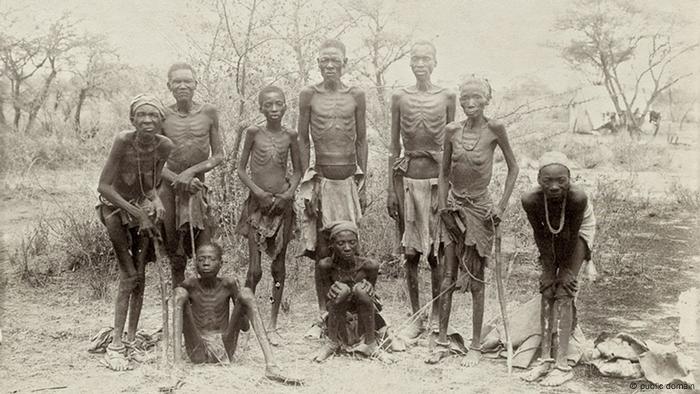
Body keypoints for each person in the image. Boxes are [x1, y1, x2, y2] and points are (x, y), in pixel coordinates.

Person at [427, 77, 519, 366]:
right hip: (452, 208)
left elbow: (513, 169)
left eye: (476, 97)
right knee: (447, 276)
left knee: (477, 278)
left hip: (480, 209)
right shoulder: (452, 130)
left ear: (487, 99)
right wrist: (443, 206)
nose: (469, 102)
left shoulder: (495, 130)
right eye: (465, 96)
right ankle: (442, 340)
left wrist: (501, 207)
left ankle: (476, 346)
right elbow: (443, 174)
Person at [96, 94, 174, 371]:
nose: (148, 120)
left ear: (161, 120)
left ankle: (130, 340)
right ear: (132, 120)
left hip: (141, 210)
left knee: (140, 276)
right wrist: (139, 212)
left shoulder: (165, 146)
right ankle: (115, 344)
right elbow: (104, 187)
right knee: (128, 275)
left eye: (153, 115)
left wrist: (155, 200)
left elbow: (151, 183)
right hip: (115, 209)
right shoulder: (123, 141)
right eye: (142, 115)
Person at [298, 39, 368, 337]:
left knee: (349, 248)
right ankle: (323, 315)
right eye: (324, 60)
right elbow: (302, 139)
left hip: (349, 180)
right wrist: (306, 185)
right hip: (321, 180)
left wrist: (362, 183)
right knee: (323, 253)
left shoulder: (357, 95)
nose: (329, 65)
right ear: (318, 63)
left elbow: (362, 139)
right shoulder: (308, 95)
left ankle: (351, 312)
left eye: (335, 61)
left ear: (344, 63)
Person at [387, 41, 455, 338]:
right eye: (415, 58)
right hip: (408, 180)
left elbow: (451, 144)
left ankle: (438, 314)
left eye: (426, 58)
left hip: (437, 181)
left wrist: (447, 190)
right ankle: (416, 316)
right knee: (412, 253)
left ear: (435, 61)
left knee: (437, 253)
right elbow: (393, 145)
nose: (419, 63)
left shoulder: (447, 96)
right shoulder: (400, 97)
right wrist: (391, 189)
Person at [173, 243, 302, 385]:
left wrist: (240, 305)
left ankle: (271, 366)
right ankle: (177, 364)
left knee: (246, 292)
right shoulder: (190, 285)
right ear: (195, 263)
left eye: (211, 259)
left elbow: (245, 327)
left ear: (221, 263)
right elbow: (181, 317)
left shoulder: (228, 284)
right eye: (201, 259)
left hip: (225, 346)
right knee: (179, 293)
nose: (206, 263)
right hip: (197, 348)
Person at [520, 151, 595, 387]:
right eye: (547, 181)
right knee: (547, 288)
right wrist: (548, 269)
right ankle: (545, 358)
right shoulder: (530, 199)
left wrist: (564, 270)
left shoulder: (577, 198)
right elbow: (541, 235)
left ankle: (562, 364)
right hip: (551, 236)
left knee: (564, 288)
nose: (554, 186)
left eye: (560, 180)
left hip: (578, 231)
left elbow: (571, 237)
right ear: (538, 180)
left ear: (569, 179)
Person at [236, 86, 302, 345]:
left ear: (286, 106)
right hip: (257, 206)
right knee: (254, 269)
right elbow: (241, 169)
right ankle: (243, 315)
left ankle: (272, 323)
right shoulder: (253, 133)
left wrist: (288, 194)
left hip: (282, 207)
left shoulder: (291, 135)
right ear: (261, 108)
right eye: (269, 105)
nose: (274, 109)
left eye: (279, 104)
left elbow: (298, 170)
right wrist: (258, 192)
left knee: (278, 267)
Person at [160, 62, 224, 287]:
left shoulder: (208, 112)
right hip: (169, 189)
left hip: (198, 188)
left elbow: (218, 155)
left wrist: (191, 173)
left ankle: (204, 309)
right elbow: (155, 162)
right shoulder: (162, 114)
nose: (182, 85)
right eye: (177, 81)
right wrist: (178, 179)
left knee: (204, 251)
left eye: (187, 81)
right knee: (176, 256)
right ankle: (180, 311)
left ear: (196, 84)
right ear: (169, 85)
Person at [311, 222, 388, 362]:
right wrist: (336, 292)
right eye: (341, 243)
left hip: (364, 318)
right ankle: (332, 343)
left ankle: (371, 344)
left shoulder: (370, 266)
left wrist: (368, 289)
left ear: (357, 243)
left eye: (352, 242)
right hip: (339, 318)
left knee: (361, 289)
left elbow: (372, 299)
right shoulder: (326, 266)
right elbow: (328, 300)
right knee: (341, 290)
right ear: (332, 245)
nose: (347, 248)